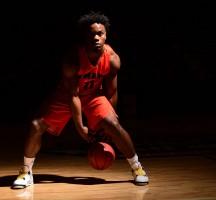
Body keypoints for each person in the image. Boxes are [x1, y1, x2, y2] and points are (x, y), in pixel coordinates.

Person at [12, 11, 149, 189]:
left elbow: (112, 91)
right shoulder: (73, 59)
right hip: (67, 95)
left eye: (100, 33)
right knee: (37, 125)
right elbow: (73, 95)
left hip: (93, 95)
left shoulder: (113, 58)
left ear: (106, 35)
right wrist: (81, 127)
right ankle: (25, 172)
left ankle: (137, 168)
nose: (96, 37)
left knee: (114, 125)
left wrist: (108, 120)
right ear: (85, 36)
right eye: (92, 34)